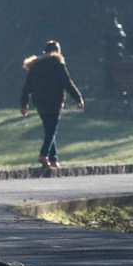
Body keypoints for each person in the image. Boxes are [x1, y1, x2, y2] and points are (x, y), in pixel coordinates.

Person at [20, 40, 84, 170]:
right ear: (57, 51)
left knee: (49, 129)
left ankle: (53, 159)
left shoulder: (35, 66)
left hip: (40, 102)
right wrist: (78, 98)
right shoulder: (57, 64)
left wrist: (24, 104)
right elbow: (67, 83)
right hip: (54, 101)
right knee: (51, 130)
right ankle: (44, 154)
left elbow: (27, 87)